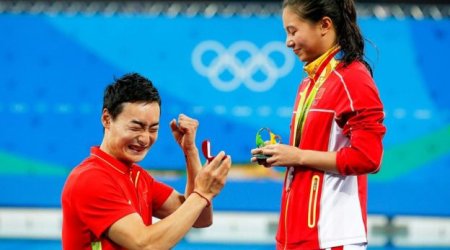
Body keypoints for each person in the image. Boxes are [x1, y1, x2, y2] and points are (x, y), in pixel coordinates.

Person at [251, 0, 386, 249]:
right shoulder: (308, 83)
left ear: (324, 25)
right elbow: (311, 153)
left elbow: (369, 159)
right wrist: (281, 155)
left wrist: (298, 156)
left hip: (333, 236)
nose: (287, 42)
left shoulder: (353, 78)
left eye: (293, 31)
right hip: (295, 235)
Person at [61, 73, 232, 250]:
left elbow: (199, 218)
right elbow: (145, 244)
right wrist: (202, 192)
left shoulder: (138, 177)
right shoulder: (90, 179)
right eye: (136, 127)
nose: (144, 138)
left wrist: (190, 152)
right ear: (107, 119)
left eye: (153, 129)